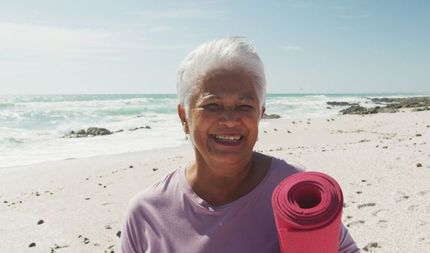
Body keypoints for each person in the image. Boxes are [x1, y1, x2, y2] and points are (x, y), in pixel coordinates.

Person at [120, 37, 360, 253]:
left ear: (260, 115)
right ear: (184, 116)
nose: (230, 119)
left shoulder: (294, 191)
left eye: (245, 106)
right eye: (212, 105)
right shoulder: (147, 213)